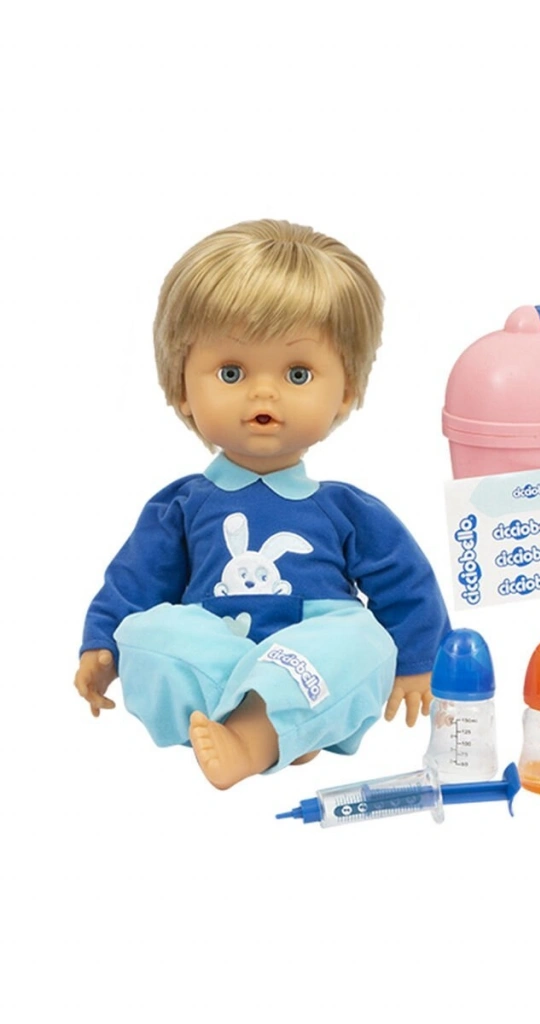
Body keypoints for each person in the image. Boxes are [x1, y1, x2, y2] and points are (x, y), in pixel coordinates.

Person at [74, 219, 450, 789]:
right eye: (232, 372)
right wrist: (102, 642)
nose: (264, 392)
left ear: (345, 391)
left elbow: (406, 583)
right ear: (181, 387)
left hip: (316, 644)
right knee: (145, 633)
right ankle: (278, 725)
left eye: (298, 373)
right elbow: (133, 581)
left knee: (364, 641)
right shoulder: (181, 505)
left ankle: (255, 732)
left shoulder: (346, 508)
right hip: (211, 644)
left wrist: (420, 660)